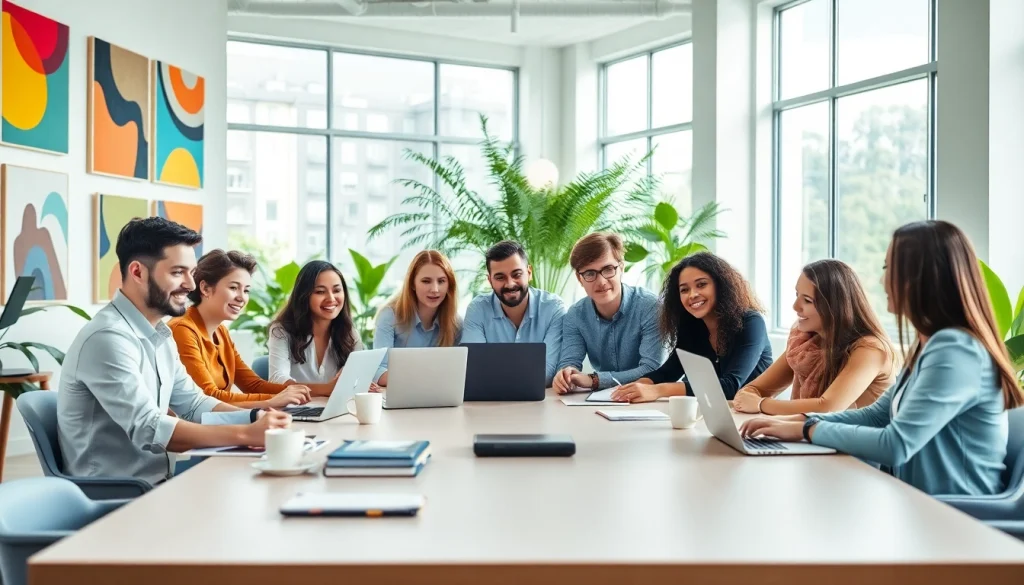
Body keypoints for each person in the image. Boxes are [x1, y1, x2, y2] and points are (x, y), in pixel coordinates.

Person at [742, 221, 1024, 496]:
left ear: (922, 279)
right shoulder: (929, 344)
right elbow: (877, 415)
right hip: (916, 502)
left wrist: (807, 431)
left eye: (890, 269)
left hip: (956, 515)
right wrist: (797, 423)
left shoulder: (955, 350)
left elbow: (896, 444)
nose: (882, 280)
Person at [57, 217, 291, 487]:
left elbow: (192, 404)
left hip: (157, 482)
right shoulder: (108, 338)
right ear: (137, 272)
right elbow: (149, 427)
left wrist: (255, 418)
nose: (191, 285)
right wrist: (245, 434)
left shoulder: (159, 334)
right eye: (178, 272)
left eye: (191, 272)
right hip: (116, 494)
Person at [731, 259, 895, 415]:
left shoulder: (870, 350)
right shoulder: (805, 340)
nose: (795, 307)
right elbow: (755, 390)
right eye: (797, 295)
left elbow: (828, 408)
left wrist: (761, 404)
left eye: (808, 300)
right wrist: (749, 396)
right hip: (815, 439)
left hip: (857, 443)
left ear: (836, 307)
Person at [612, 252, 771, 402]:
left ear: (720, 285)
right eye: (684, 290)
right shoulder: (693, 325)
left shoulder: (751, 322)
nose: (692, 294)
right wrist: (638, 385)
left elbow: (730, 387)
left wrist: (658, 390)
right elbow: (669, 371)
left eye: (701, 285)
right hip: (712, 416)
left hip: (754, 420)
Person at [169, 250, 312, 409]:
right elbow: (209, 397)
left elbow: (252, 384)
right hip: (195, 429)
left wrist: (297, 392)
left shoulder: (220, 332)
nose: (242, 297)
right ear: (205, 288)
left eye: (246, 290)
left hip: (219, 423)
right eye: (233, 287)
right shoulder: (182, 330)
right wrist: (271, 402)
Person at [553, 233, 663, 394]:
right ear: (579, 278)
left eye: (608, 269)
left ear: (621, 268)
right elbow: (570, 362)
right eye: (590, 273)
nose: (601, 282)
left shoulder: (650, 307)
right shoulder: (575, 316)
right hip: (605, 400)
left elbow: (652, 369)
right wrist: (565, 376)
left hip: (654, 399)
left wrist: (595, 380)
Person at [462, 240, 566, 386]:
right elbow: (474, 369)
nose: (510, 284)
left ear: (529, 273)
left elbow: (546, 372)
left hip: (540, 403)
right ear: (490, 280)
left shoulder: (553, 308)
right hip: (490, 404)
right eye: (500, 277)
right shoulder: (477, 310)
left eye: (516, 274)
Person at [267, 260, 366, 391]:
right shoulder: (282, 330)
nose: (331, 298)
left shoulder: (350, 333)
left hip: (339, 409)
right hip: (295, 409)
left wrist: (362, 383)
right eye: (320, 292)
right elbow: (277, 380)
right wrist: (326, 389)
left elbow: (357, 376)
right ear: (304, 296)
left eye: (337, 290)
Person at [373, 250, 462, 386]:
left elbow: (460, 371)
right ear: (412, 284)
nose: (435, 289)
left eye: (441, 281)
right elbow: (378, 371)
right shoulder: (389, 316)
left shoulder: (455, 322)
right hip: (401, 397)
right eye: (426, 281)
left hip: (439, 397)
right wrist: (425, 380)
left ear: (449, 284)